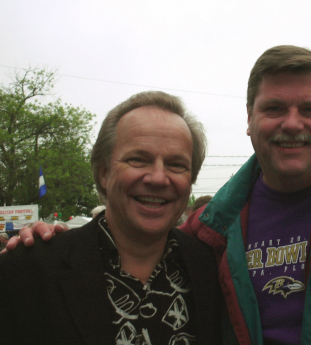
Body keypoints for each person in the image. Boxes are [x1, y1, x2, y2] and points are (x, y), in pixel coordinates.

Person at [7, 46, 311, 345]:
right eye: (273, 108)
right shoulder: (211, 234)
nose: (291, 123)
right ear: (249, 120)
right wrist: (55, 242)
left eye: (310, 109)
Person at [0, 91, 221, 345]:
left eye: (176, 164)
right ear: (103, 172)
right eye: (138, 160)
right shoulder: (25, 272)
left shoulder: (210, 270)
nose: (159, 178)